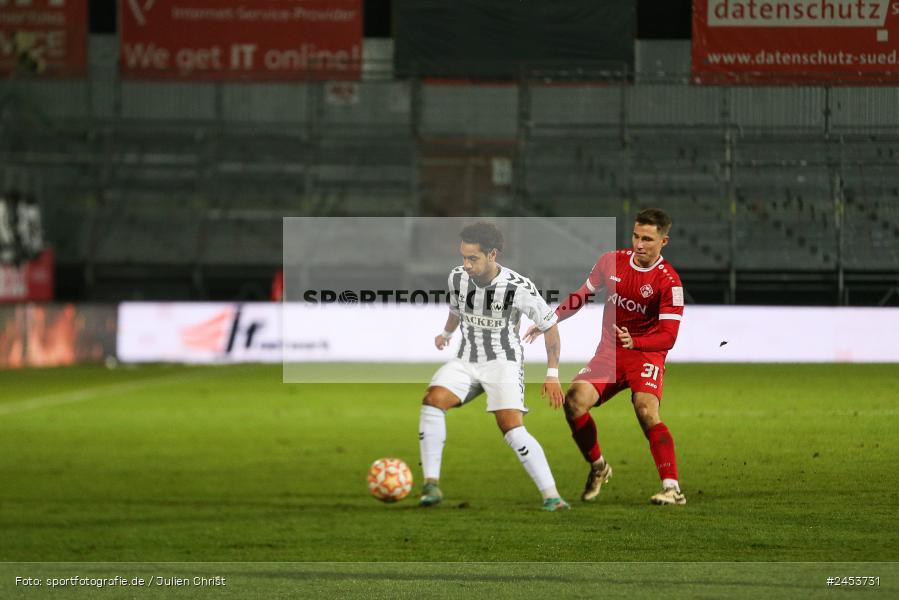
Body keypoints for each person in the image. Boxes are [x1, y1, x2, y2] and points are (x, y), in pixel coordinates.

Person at [525, 208, 686, 505]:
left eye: (648, 239)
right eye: (636, 236)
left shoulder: (669, 282)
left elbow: (669, 336)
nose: (639, 244)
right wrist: (551, 318)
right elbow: (581, 295)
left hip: (645, 355)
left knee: (646, 411)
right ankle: (598, 466)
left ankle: (672, 488)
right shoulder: (611, 261)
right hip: (609, 354)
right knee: (574, 402)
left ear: (664, 241)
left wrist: (636, 342)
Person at [418, 222, 570, 511]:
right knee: (432, 401)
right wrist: (447, 334)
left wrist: (552, 374)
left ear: (492, 255)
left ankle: (552, 496)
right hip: (466, 359)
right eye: (463, 257)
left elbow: (549, 326)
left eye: (472, 258)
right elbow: (455, 309)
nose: (466, 264)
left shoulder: (518, 287)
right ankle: (431, 485)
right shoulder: (457, 277)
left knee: (510, 426)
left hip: (503, 363)